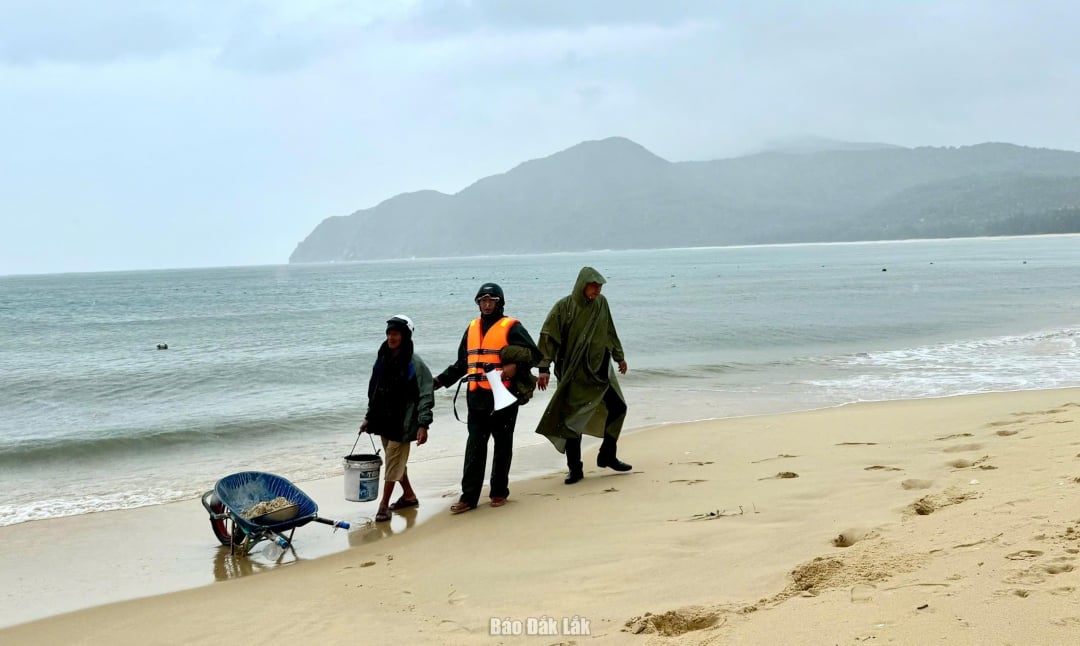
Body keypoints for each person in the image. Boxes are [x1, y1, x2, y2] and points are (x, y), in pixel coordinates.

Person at [433, 283, 541, 514]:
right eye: (483, 300)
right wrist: (439, 382)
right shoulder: (472, 328)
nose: (487, 304)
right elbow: (463, 363)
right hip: (477, 397)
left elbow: (534, 354)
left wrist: (515, 366)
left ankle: (499, 492)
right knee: (475, 447)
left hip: (504, 396)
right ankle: (469, 498)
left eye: (491, 300)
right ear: (478, 303)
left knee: (502, 446)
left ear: (500, 302)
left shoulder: (512, 327)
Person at [535, 266, 630, 484]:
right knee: (571, 421)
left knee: (618, 407)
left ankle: (607, 455)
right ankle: (574, 469)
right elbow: (548, 337)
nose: (597, 290)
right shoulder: (564, 307)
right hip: (574, 374)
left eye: (599, 287)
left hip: (601, 369)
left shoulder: (602, 304)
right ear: (582, 285)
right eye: (593, 286)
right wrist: (543, 369)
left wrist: (619, 356)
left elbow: (609, 331)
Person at [359, 315, 434, 522]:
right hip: (383, 420)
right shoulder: (382, 358)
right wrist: (368, 418)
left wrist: (423, 424)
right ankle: (409, 496)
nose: (391, 337)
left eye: (396, 334)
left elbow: (426, 394)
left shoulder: (415, 363)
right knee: (396, 462)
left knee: (393, 462)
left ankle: (383, 506)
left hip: (404, 422)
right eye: (389, 333)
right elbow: (374, 390)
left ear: (405, 336)